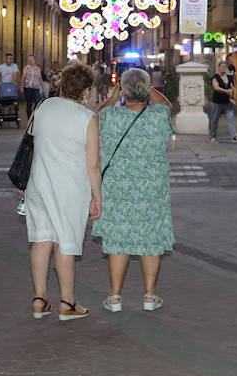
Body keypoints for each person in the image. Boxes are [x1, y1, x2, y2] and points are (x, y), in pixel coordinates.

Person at [24, 62, 101, 321]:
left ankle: (39, 298)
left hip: (38, 183)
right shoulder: (87, 118)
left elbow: (30, 139)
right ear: (86, 90)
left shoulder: (43, 106)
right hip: (69, 188)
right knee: (65, 243)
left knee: (42, 239)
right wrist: (97, 196)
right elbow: (92, 164)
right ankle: (67, 302)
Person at [96, 68, 176, 311]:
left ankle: (115, 296)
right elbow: (167, 104)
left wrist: (112, 97)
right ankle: (150, 296)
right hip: (152, 189)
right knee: (150, 240)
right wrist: (148, 87)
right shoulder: (159, 116)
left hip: (118, 189)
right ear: (147, 90)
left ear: (123, 91)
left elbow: (94, 116)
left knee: (118, 241)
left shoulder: (110, 116)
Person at [207, 61, 237, 142]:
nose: (223, 68)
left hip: (227, 102)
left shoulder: (229, 77)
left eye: (225, 67)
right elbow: (216, 87)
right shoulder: (215, 77)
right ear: (219, 67)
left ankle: (235, 136)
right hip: (217, 102)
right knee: (214, 119)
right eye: (222, 67)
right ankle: (212, 137)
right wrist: (226, 91)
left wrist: (231, 91)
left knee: (231, 118)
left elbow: (232, 86)